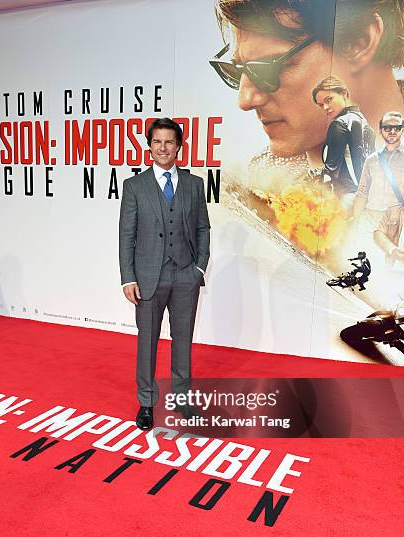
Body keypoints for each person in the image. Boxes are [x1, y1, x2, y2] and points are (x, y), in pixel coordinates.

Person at [210, 0, 404, 178]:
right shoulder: (264, 177)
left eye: (268, 68)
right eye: (237, 71)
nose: (245, 100)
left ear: (358, 42)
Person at [119, 118, 211, 431]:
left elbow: (202, 227)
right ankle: (146, 402)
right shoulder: (134, 186)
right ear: (149, 146)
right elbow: (126, 235)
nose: (163, 148)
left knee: (182, 340)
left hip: (185, 275)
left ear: (179, 147)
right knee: (147, 341)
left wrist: (199, 266)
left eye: (169, 142)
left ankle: (182, 399)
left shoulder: (194, 184)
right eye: (157, 142)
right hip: (147, 277)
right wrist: (128, 277)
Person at [312, 76, 375, 203]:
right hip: (368, 197)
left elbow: (330, 173)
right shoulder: (365, 123)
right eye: (321, 105)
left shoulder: (340, 124)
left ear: (344, 93)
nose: (325, 108)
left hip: (346, 199)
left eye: (328, 99)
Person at [353, 111, 404, 222]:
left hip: (398, 220)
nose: (392, 131)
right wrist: (355, 220)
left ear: (402, 130)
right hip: (371, 218)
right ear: (380, 130)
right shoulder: (371, 160)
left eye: (397, 128)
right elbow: (362, 192)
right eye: (387, 128)